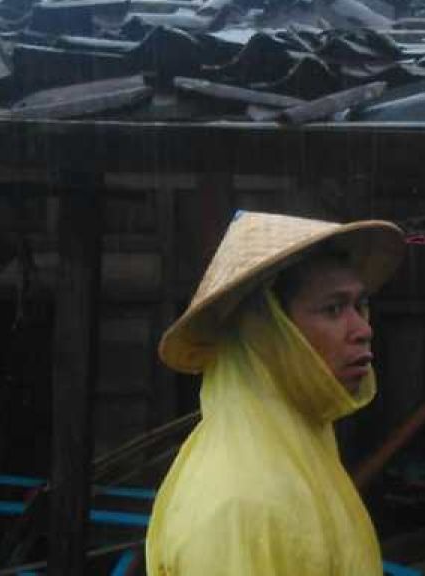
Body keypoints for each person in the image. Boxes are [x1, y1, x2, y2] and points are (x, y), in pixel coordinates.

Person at [145, 211, 406, 575]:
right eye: (333, 309)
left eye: (360, 306)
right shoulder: (238, 503)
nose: (362, 329)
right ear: (266, 332)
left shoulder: (297, 449)